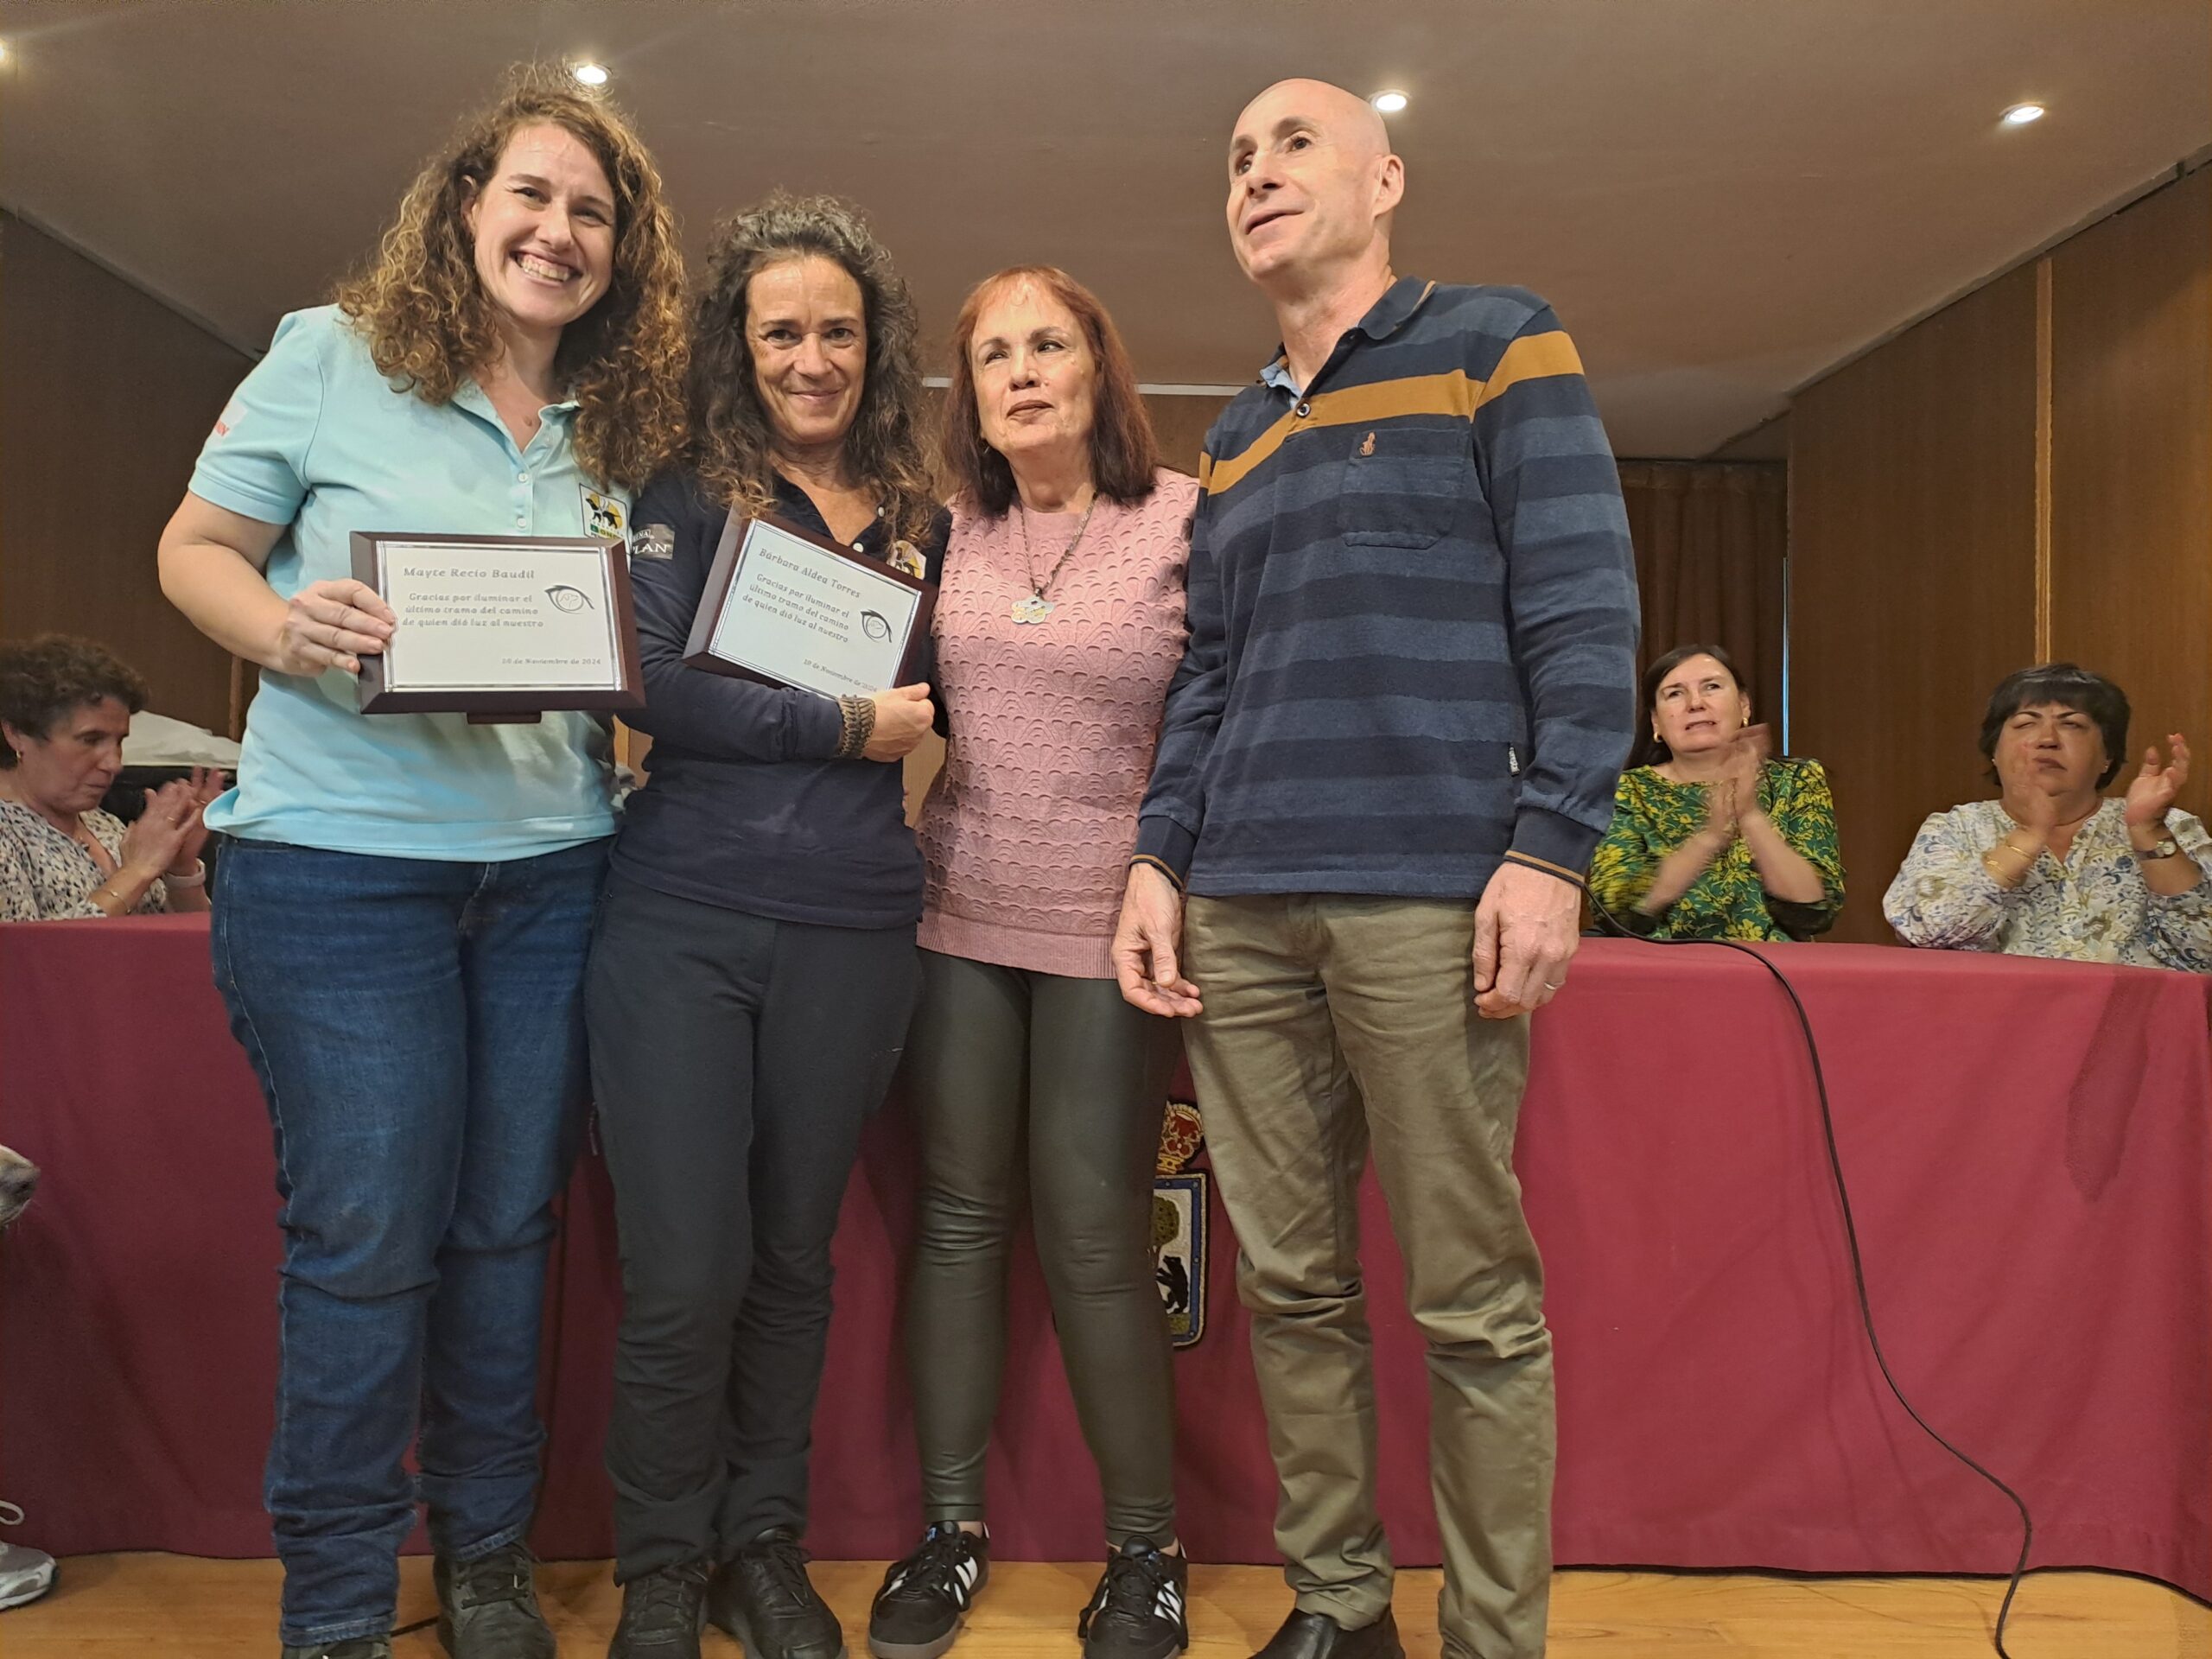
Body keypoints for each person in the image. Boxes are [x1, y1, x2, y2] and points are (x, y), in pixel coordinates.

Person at [156, 67, 688, 1659]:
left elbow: (628, 653)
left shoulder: (628, 429)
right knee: (372, 1239)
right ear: (464, 208)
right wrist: (284, 631)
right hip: (337, 877)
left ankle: (486, 1563)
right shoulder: (329, 358)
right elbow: (194, 553)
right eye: (530, 195)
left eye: (592, 213)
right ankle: (332, 1599)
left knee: (503, 1235)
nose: (558, 230)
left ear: (620, 254)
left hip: (552, 881)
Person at [1112, 79, 1640, 1659]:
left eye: (1291, 145)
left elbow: (1582, 606)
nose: (1255, 175)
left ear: (1385, 176)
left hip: (1432, 895)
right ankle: (1341, 1610)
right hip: (1240, 909)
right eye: (1234, 161)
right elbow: (1208, 676)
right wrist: (1158, 861)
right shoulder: (1236, 429)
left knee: (1472, 1305)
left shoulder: (1495, 341)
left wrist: (1554, 844)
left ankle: (1494, 1640)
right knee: (1291, 1292)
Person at [582, 193, 947, 1659]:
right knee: (685, 1270)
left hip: (859, 924)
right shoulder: (679, 491)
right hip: (679, 914)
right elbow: (649, 684)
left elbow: (975, 703)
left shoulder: (928, 520)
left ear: (876, 345)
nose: (813, 358)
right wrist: (847, 722)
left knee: (797, 1259)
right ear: (741, 345)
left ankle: (762, 1545)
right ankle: (663, 1564)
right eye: (782, 330)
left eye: (838, 331)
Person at [869, 267, 1195, 1659]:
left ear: (1096, 366)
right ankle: (948, 1534)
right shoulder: (944, 533)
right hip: (955, 909)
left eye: (1046, 344)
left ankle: (1147, 1557)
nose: (1019, 371)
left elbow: (1218, 719)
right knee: (955, 1219)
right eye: (991, 353)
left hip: (1108, 927)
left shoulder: (1187, 518)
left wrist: (1164, 871)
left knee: (1093, 1232)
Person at [1885, 663, 2212, 967]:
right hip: (1994, 1023)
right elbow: (1924, 935)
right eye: (2026, 723)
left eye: (2072, 725)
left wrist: (2148, 831)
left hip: (2138, 1024)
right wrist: (2026, 837)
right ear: (1994, 753)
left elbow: (2204, 953)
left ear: (2107, 757)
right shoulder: (1954, 829)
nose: (2047, 740)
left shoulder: (2172, 826)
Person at [1587, 644, 1843, 940]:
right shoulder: (1625, 791)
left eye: (1711, 687)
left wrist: (1750, 817)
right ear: (1656, 722)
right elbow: (1617, 912)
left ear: (1744, 705)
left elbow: (1815, 910)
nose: (1695, 703)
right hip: (1660, 974)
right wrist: (1710, 836)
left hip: (1777, 974)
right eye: (1675, 693)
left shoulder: (1797, 780)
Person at [0, 635, 220, 921]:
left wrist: (181, 868)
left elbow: (194, 947)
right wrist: (137, 872)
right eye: (90, 740)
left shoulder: (102, 823)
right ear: (17, 734)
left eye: (119, 741)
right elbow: (24, 957)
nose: (115, 764)